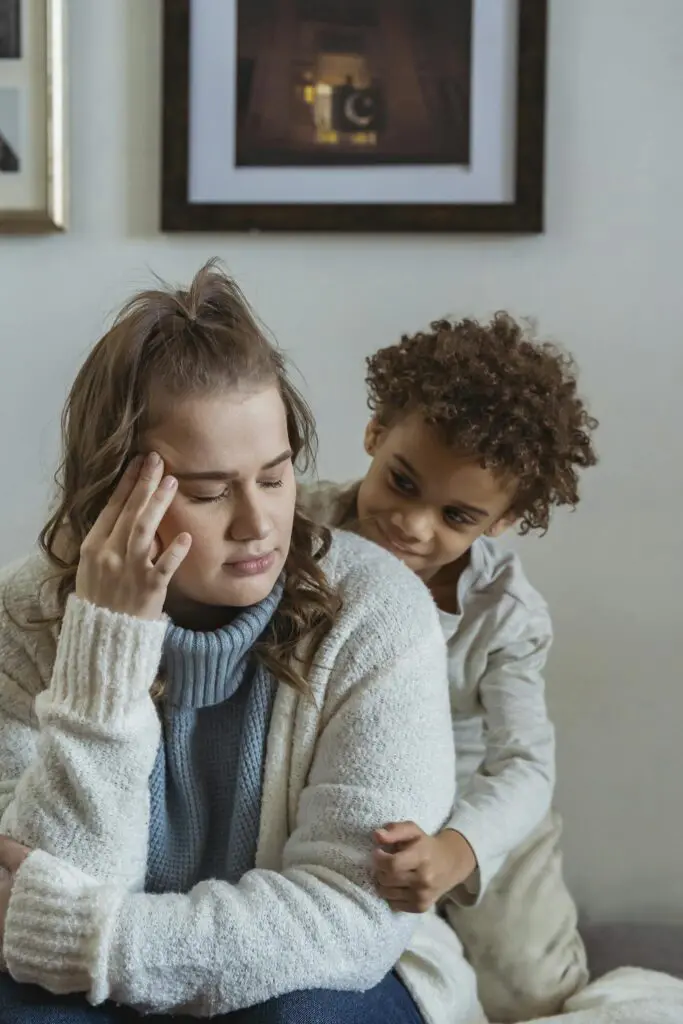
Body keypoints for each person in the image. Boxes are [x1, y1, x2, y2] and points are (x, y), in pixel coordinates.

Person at [0, 264, 470, 1024]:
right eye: (210, 492)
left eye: (276, 477)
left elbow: (346, 915)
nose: (258, 525)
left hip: (324, 975)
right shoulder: (25, 615)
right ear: (113, 491)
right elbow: (30, 884)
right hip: (88, 986)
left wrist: (93, 938)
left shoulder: (377, 612)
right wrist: (106, 646)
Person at [301, 313, 599, 1022]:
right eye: (401, 483)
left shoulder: (507, 615)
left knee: (526, 992)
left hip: (476, 810)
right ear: (375, 435)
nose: (413, 524)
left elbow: (524, 764)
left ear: (500, 521)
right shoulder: (299, 533)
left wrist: (458, 849)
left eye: (455, 516)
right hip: (354, 800)